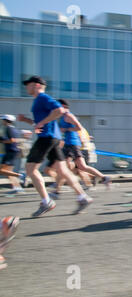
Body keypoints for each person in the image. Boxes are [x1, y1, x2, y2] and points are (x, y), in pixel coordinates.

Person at [18, 75, 93, 217]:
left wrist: (42, 123)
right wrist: (27, 120)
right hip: (53, 138)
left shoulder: (42, 97)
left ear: (37, 85)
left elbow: (59, 111)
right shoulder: (38, 101)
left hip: (47, 138)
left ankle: (46, 201)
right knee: (63, 170)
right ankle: (83, 198)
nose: (26, 87)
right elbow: (39, 123)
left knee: (30, 169)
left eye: (29, 84)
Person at [48, 99, 110, 199]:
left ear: (63, 106)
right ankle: (104, 178)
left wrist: (66, 129)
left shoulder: (68, 116)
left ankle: (57, 191)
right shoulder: (62, 117)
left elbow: (79, 127)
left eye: (57, 106)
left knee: (63, 167)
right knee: (82, 167)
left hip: (71, 145)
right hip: (71, 145)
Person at [0, 115, 25, 193]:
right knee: (9, 171)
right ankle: (17, 187)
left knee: (1, 170)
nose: (2, 121)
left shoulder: (8, 128)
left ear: (6, 120)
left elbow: (12, 140)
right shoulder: (14, 128)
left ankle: (20, 176)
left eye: (3, 120)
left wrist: (2, 141)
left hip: (11, 151)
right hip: (13, 151)